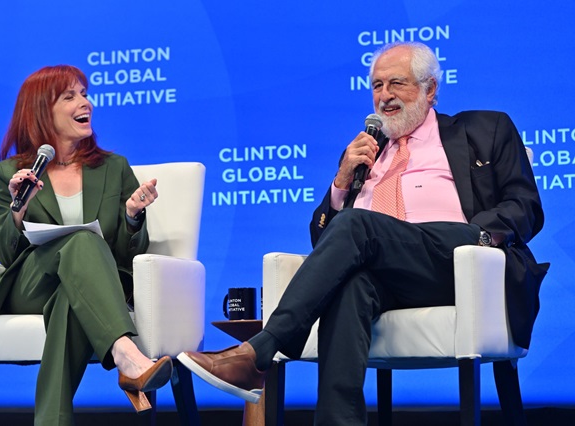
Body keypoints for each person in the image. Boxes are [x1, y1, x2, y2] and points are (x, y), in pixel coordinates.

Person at [177, 42, 549, 424]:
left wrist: (479, 238)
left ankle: (260, 351)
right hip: (390, 272)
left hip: (459, 260)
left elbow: (526, 206)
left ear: (430, 89)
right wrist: (341, 183)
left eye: (396, 83)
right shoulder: (365, 154)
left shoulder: (483, 129)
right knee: (350, 285)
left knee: (357, 224)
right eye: (376, 86)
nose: (384, 96)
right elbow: (326, 246)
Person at [0, 65, 172, 425]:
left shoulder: (113, 167)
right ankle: (125, 352)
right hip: (32, 284)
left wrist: (132, 216)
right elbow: (6, 254)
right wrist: (18, 208)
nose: (85, 102)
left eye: (84, 94)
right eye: (69, 96)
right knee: (82, 240)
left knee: (71, 298)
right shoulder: (9, 174)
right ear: (42, 110)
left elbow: (126, 256)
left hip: (91, 288)